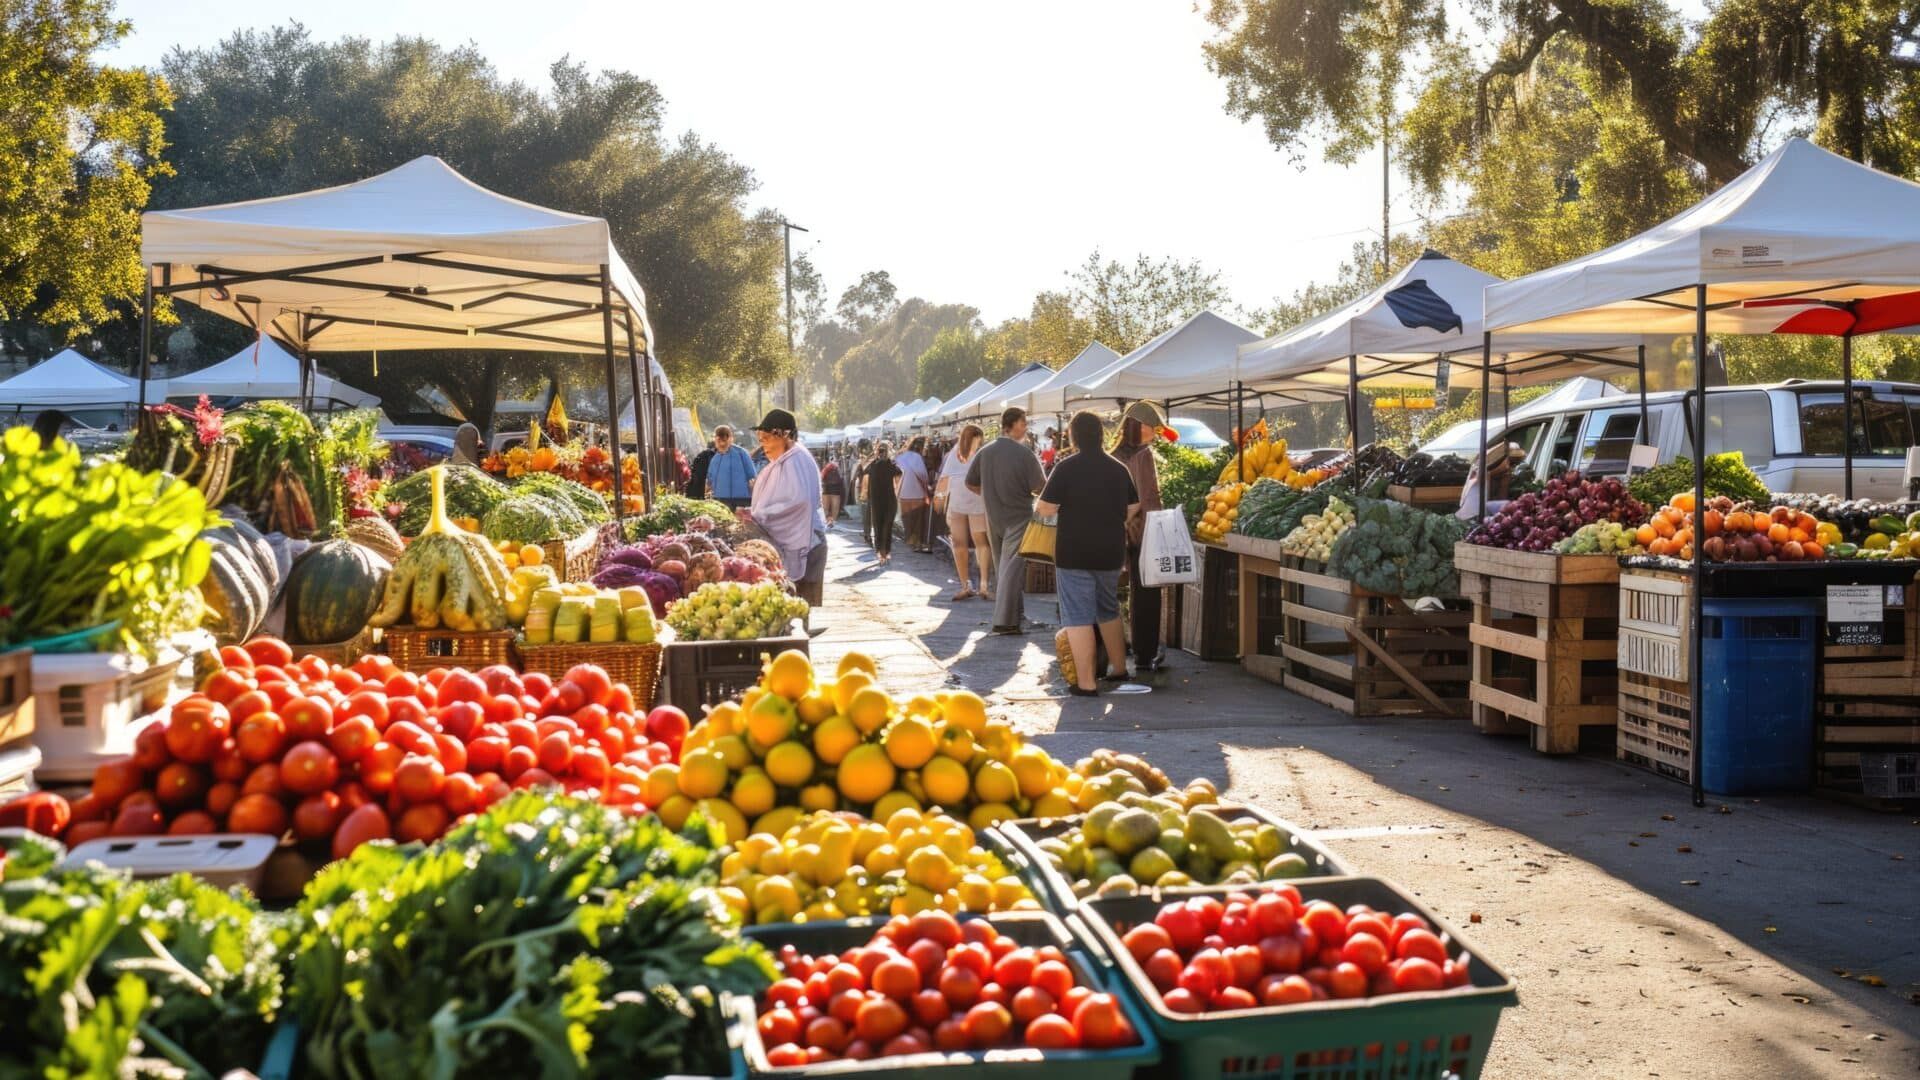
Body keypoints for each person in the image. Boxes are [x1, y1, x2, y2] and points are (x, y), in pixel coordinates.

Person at [1037, 410, 1138, 695]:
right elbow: (1133, 506)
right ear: (1102, 434)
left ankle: (1086, 683)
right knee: (1108, 608)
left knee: (1078, 615)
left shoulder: (1067, 467)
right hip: (1110, 551)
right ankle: (1119, 669)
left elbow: (1045, 508)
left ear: (1073, 435)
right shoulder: (1119, 468)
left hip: (1074, 551)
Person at [966, 407, 1047, 634]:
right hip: (1018, 515)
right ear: (1011, 425)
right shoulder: (1024, 454)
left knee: (1004, 567)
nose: (1026, 428)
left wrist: (989, 493)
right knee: (1011, 569)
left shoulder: (985, 451)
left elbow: (970, 483)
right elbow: (1041, 486)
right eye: (1023, 423)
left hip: (994, 515)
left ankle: (1016, 616)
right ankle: (1003, 621)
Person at [1115, 400, 1179, 673]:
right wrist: (1162, 528)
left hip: (1120, 532)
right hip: (1144, 532)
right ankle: (1145, 654)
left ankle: (1126, 648)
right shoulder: (1144, 456)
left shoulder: (1114, 454)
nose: (1155, 433)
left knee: (1124, 593)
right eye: (1153, 427)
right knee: (1147, 594)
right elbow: (1149, 498)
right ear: (1140, 427)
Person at [739, 409, 825, 583]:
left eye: (767, 439)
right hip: (806, 544)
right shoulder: (786, 459)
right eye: (761, 440)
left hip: (808, 546)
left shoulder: (796, 460)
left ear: (784, 435)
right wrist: (752, 512)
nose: (764, 446)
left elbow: (799, 503)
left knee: (798, 605)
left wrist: (757, 515)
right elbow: (780, 500)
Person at [937, 424, 992, 600]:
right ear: (975, 438)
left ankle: (968, 585)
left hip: (961, 502)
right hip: (975, 500)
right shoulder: (979, 454)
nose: (980, 442)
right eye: (979, 439)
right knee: (980, 543)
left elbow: (944, 481)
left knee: (962, 544)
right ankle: (980, 585)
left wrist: (939, 498)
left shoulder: (954, 454)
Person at [862, 442, 902, 563]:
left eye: (883, 450)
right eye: (881, 450)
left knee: (886, 526)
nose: (882, 453)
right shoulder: (873, 465)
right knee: (879, 526)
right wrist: (874, 455)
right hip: (878, 499)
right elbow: (863, 468)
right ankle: (881, 551)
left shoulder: (890, 464)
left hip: (887, 499)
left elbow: (899, 475)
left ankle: (885, 551)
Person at [706, 425, 758, 510]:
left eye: (725, 440)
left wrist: (755, 497)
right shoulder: (715, 459)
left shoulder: (741, 453)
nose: (722, 443)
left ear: (731, 439)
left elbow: (752, 477)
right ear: (715, 440)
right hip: (720, 500)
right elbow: (709, 481)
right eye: (719, 440)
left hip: (742, 500)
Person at [897, 436, 932, 553]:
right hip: (917, 493)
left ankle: (909, 539)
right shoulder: (918, 458)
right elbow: (923, 475)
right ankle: (917, 542)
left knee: (907, 518)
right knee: (917, 519)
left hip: (903, 493)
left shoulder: (901, 457)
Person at [821, 454, 846, 526]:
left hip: (826, 489)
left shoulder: (825, 468)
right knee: (835, 508)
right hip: (836, 490)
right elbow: (841, 480)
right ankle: (833, 522)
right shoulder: (837, 468)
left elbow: (821, 477)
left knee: (825, 508)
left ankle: (827, 522)